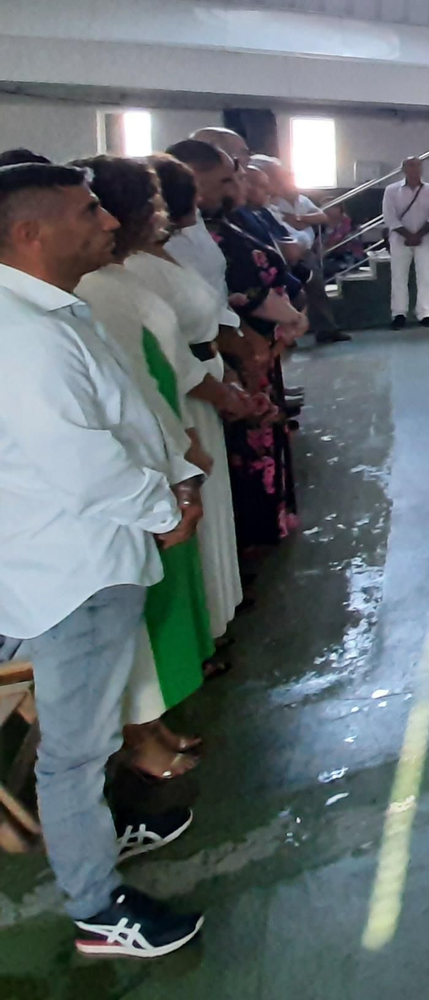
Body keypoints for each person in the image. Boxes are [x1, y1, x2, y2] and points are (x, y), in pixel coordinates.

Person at [0, 162, 206, 958]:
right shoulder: (22, 337)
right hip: (70, 569)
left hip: (90, 553)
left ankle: (98, 838)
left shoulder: (52, 312)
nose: (108, 222)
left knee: (87, 732)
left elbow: (123, 410)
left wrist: (175, 476)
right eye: (88, 212)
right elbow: (80, 461)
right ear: (30, 233)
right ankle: (96, 907)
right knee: (75, 751)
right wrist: (162, 510)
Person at [72, 159, 213, 766]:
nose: (103, 222)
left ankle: (149, 722)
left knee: (151, 599)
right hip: (122, 467)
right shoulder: (85, 294)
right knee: (128, 606)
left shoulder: (115, 278)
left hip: (154, 444)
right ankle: (135, 735)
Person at [127, 154, 244, 646]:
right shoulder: (128, 274)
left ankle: (217, 614)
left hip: (202, 380)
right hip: (182, 395)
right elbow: (167, 353)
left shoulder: (163, 254)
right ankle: (199, 629)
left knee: (212, 508)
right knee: (191, 511)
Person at [166, 139, 305, 550]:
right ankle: (248, 539)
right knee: (232, 461)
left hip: (249, 349)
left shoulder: (215, 228)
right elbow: (217, 299)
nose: (238, 186)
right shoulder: (181, 242)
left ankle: (264, 527)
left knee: (254, 450)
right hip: (221, 361)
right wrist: (245, 339)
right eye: (227, 179)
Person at [256, 157, 347, 345]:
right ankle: (287, 336)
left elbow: (322, 217)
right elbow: (283, 230)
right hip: (284, 254)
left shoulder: (302, 201)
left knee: (317, 288)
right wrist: (301, 224)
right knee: (287, 293)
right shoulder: (270, 205)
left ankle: (327, 330)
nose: (289, 183)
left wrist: (299, 218)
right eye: (283, 178)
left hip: (305, 253)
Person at [381, 158, 429, 330]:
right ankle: (399, 313)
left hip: (425, 238)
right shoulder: (392, 190)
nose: (414, 169)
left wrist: (419, 234)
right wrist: (407, 234)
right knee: (399, 277)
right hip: (400, 239)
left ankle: (425, 313)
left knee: (425, 275)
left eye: (417, 166)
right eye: (410, 166)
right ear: (403, 169)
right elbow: (389, 216)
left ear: (421, 169)